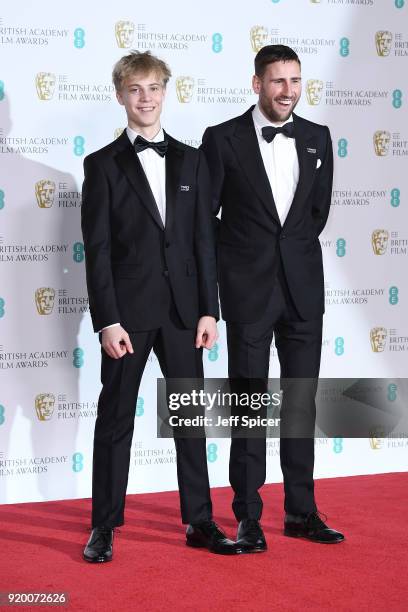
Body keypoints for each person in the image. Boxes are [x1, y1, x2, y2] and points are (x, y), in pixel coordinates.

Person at [81, 50, 241, 562]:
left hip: (183, 314)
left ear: (165, 92)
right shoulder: (101, 165)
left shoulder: (193, 159)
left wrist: (208, 310)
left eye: (153, 88)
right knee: (115, 422)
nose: (145, 98)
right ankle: (104, 525)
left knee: (191, 422)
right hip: (126, 316)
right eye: (135, 89)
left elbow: (204, 244)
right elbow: (98, 251)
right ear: (120, 95)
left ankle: (199, 521)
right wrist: (107, 320)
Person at [201, 44, 345, 552]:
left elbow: (316, 213)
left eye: (296, 81)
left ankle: (301, 512)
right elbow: (206, 221)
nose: (288, 91)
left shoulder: (318, 137)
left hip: (304, 291)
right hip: (248, 292)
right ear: (257, 83)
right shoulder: (222, 139)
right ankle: (247, 515)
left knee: (300, 404)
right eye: (278, 81)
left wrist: (291, 254)